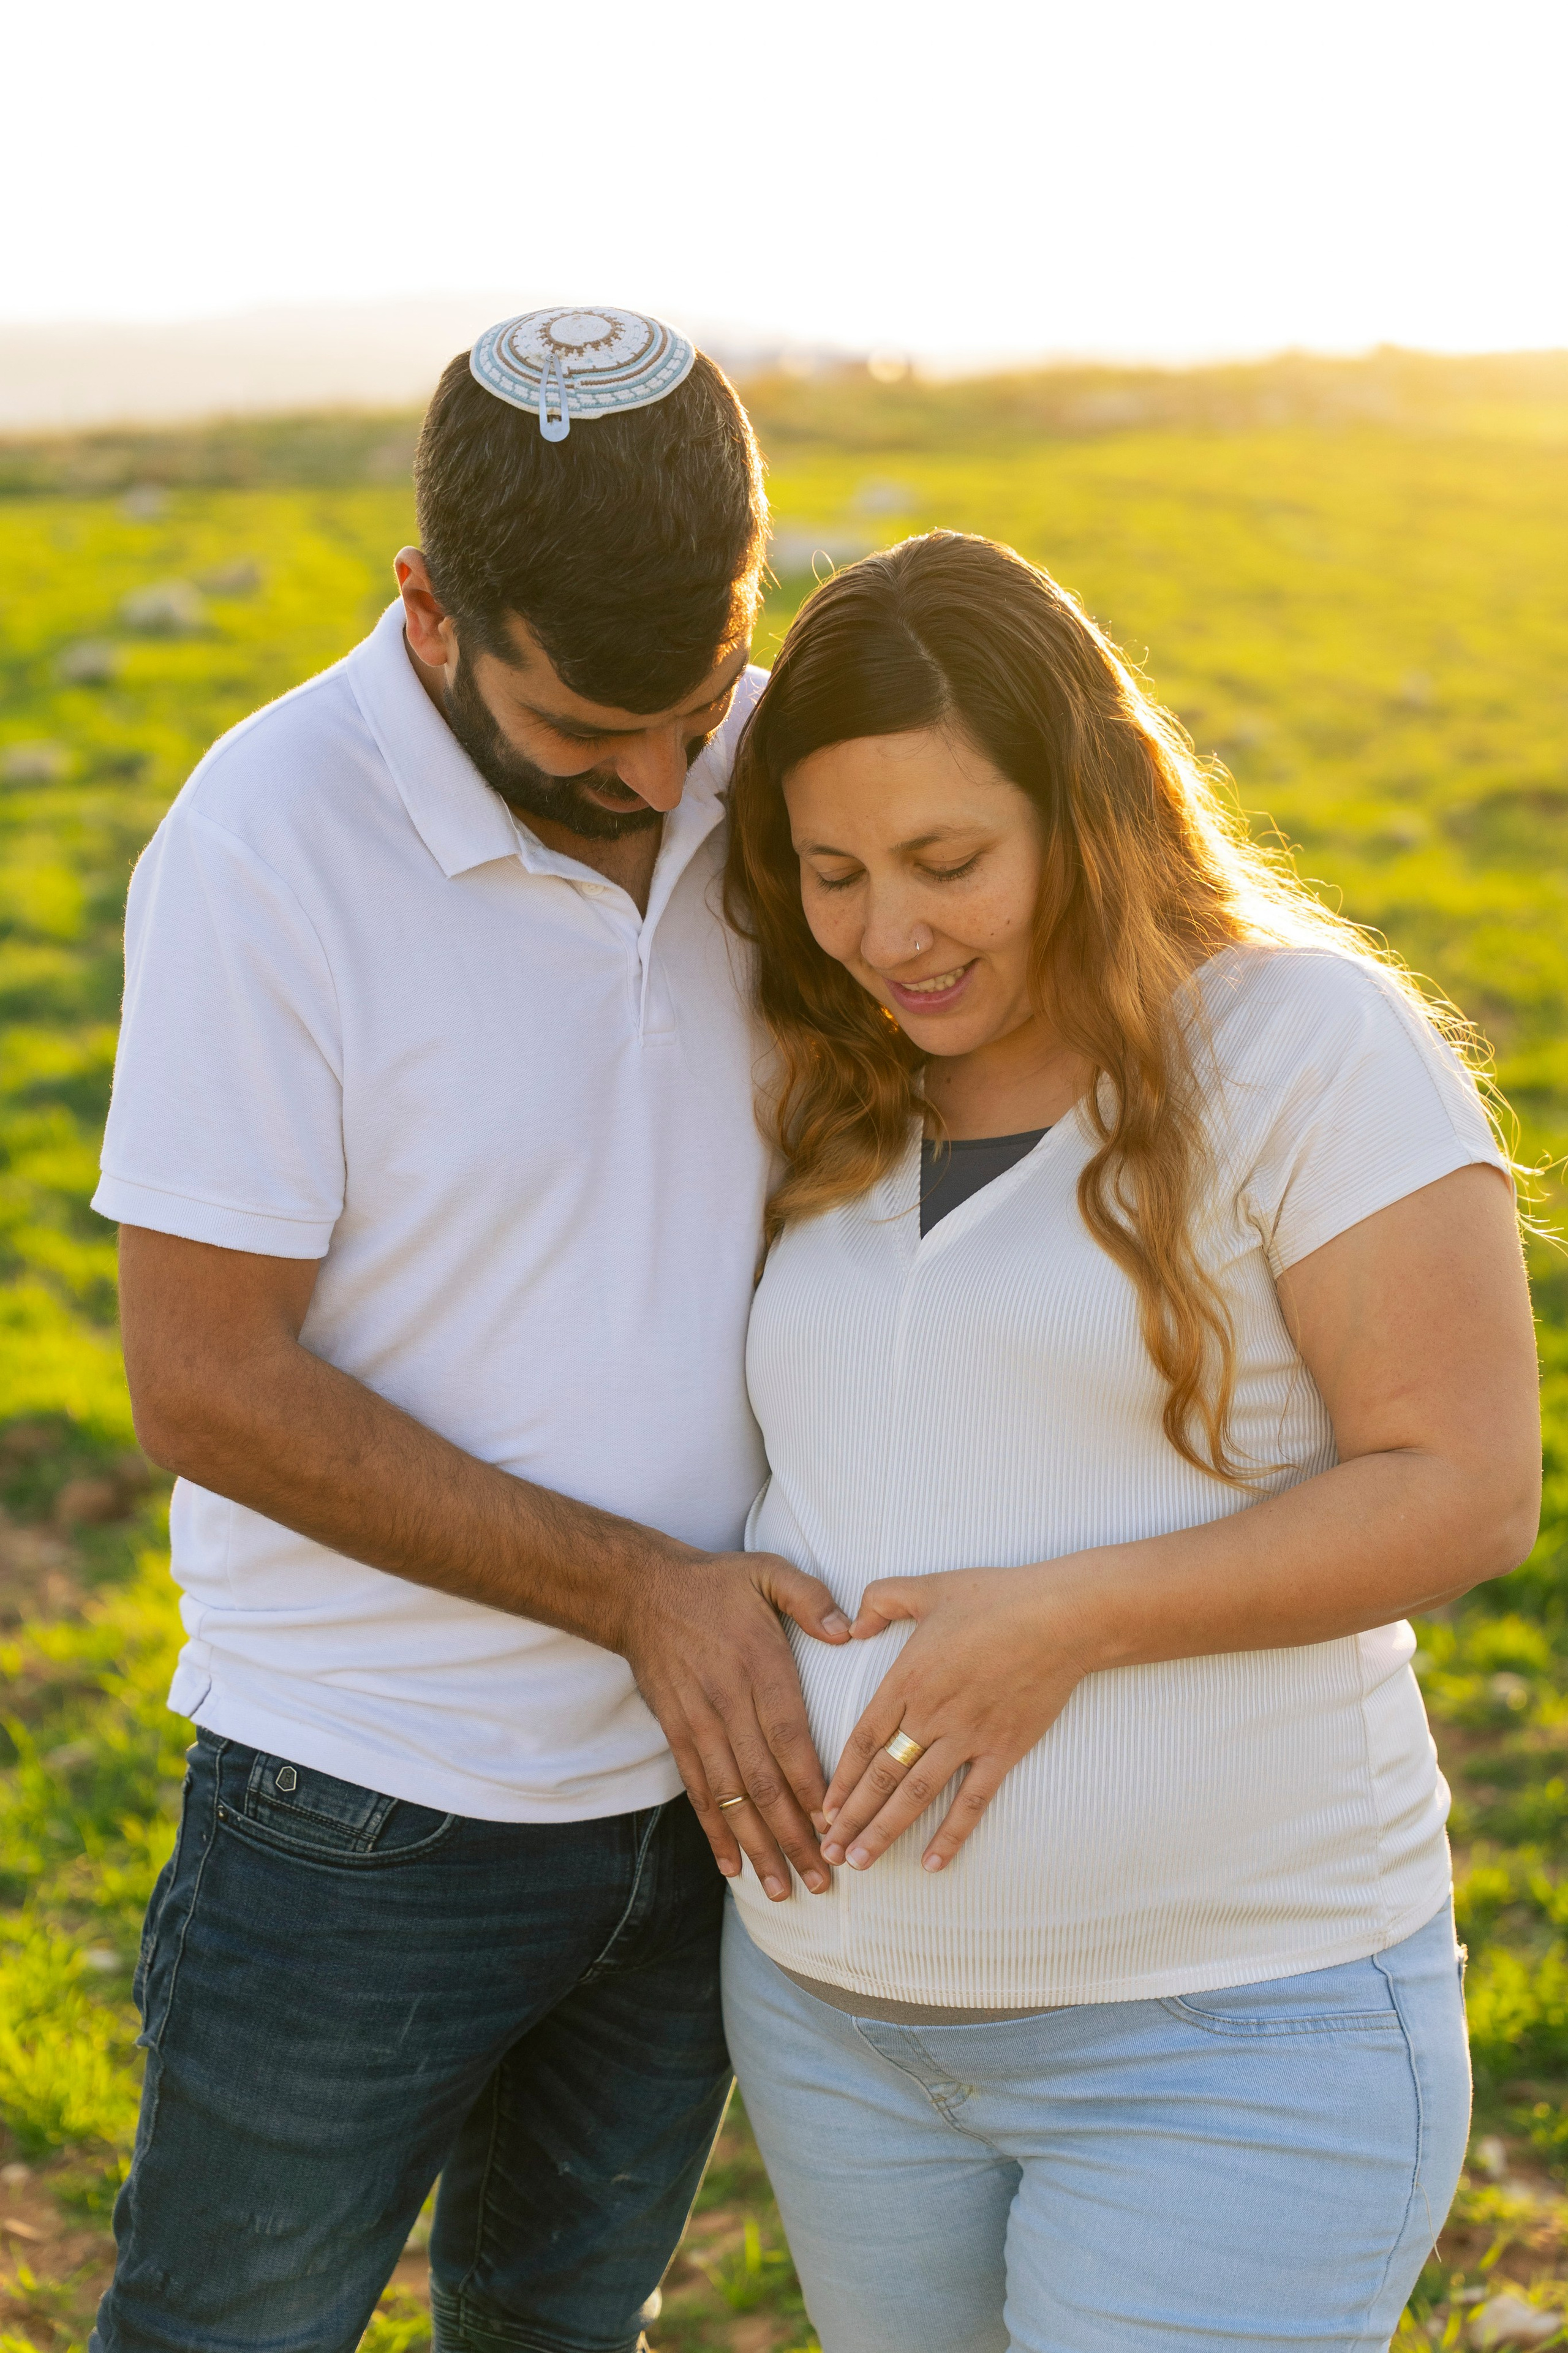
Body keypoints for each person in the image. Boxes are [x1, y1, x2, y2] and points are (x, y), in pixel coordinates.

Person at [87, 306, 847, 2353]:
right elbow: (203, 1377)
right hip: (356, 1812)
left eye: (694, 705)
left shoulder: (763, 766)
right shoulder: (263, 845)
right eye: (590, 732)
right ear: (430, 608)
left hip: (697, 1810)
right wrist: (647, 1596)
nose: (659, 782)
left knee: (559, 2334)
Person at [718, 531, 1543, 2353]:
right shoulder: (823, 1070)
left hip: (1231, 2028)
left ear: (1089, 809)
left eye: (949, 862)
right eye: (832, 872)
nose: (888, 932)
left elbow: (1468, 1484)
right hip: (839, 2026)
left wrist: (1064, 1618)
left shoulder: (1301, 1040)